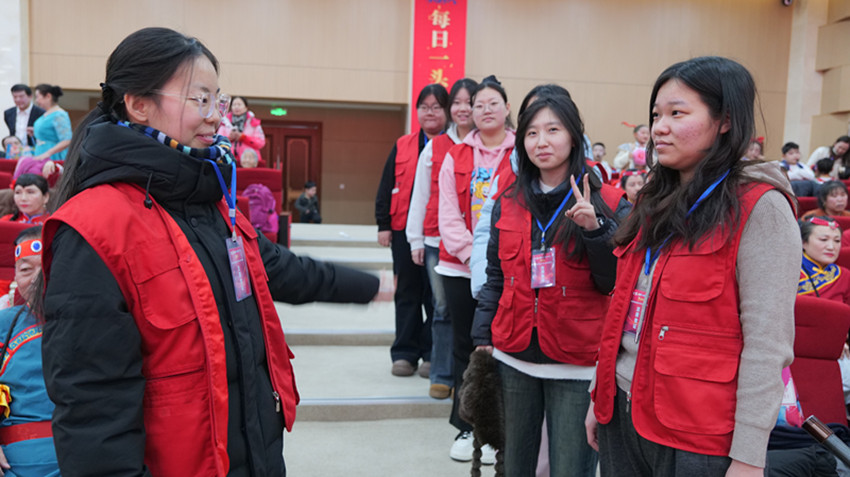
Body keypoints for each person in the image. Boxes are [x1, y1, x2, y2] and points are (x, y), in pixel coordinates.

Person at [37, 27, 379, 476]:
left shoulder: (207, 199)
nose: (218, 118)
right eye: (200, 100)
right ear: (139, 105)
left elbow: (272, 267)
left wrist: (370, 286)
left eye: (219, 100)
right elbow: (92, 415)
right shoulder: (93, 229)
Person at [587, 56, 799, 476]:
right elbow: (624, 307)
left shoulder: (761, 208)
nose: (659, 127)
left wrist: (748, 456)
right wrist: (600, 395)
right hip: (623, 410)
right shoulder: (654, 198)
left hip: (696, 433)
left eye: (676, 114)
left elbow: (767, 344)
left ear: (724, 120)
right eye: (656, 114)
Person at [472, 93, 627, 476]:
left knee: (570, 469)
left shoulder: (609, 201)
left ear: (574, 136)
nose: (541, 142)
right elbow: (496, 276)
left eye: (553, 130)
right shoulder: (508, 199)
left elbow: (615, 285)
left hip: (576, 364)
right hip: (513, 354)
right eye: (532, 133)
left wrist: (595, 229)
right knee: (513, 466)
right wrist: (481, 337)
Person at [439, 75, 513, 462]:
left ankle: (498, 429)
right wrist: (475, 256)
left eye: (492, 104)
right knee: (465, 348)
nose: (484, 110)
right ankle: (467, 428)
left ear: (506, 109)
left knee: (504, 347)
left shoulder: (522, 152)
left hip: (510, 269)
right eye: (478, 104)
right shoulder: (457, 155)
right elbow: (447, 215)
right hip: (460, 266)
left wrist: (496, 261)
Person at [405, 78, 477, 400]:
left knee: (479, 311)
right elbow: (419, 195)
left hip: (481, 245)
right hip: (437, 243)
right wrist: (415, 239)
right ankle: (441, 373)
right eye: (457, 103)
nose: (463, 109)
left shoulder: (489, 146)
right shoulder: (435, 147)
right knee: (442, 309)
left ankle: (473, 380)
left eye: (469, 102)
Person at [375, 83, 447, 377]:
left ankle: (431, 353)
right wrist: (383, 225)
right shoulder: (403, 144)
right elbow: (385, 185)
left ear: (447, 112)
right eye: (424, 107)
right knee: (406, 291)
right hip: (403, 229)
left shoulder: (453, 146)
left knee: (435, 294)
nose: (430, 113)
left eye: (436, 107)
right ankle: (404, 352)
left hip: (438, 234)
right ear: (417, 111)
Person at [0, 226, 60, 476]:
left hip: (82, 455)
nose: (37, 278)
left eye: (45, 265)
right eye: (25, 269)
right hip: (17, 463)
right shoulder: (4, 322)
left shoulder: (94, 321)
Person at [31, 84, 71, 175]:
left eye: (38, 97)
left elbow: (66, 140)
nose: (36, 101)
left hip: (52, 155)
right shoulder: (46, 114)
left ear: (48, 96)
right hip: (40, 153)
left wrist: (47, 154)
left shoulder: (59, 115)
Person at [217, 96, 266, 166]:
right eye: (234, 105)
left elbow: (261, 143)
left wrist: (243, 137)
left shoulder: (253, 123)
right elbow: (218, 141)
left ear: (246, 107)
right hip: (228, 160)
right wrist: (229, 138)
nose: (236, 107)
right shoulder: (224, 122)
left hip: (249, 161)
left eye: (239, 104)